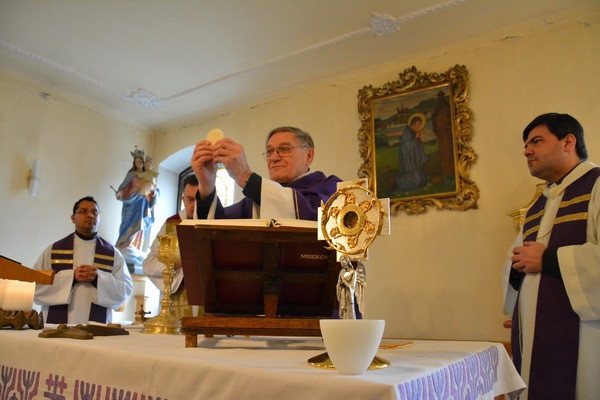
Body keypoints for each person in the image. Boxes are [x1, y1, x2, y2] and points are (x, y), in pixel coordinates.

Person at [502, 113, 600, 399]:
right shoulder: (537, 206)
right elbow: (519, 261)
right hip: (537, 336)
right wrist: (522, 310)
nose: (526, 151)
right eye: (525, 145)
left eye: (536, 141)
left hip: (585, 337)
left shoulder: (596, 185)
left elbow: (540, 260)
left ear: (568, 142)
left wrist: (548, 260)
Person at [191, 126, 342, 221]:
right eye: (269, 151)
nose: (274, 158)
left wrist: (244, 175)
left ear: (309, 156)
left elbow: (317, 216)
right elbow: (217, 228)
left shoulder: (333, 188)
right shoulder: (253, 202)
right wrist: (206, 185)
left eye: (284, 149)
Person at [33, 196, 133, 324]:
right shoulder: (53, 251)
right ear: (73, 218)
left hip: (97, 326)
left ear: (99, 218)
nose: (90, 215)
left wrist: (98, 279)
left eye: (94, 212)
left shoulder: (113, 254)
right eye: (83, 211)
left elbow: (125, 290)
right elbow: (35, 286)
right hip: (57, 324)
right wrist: (72, 277)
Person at [142, 174, 198, 318]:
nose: (195, 205)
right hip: (178, 298)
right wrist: (174, 263)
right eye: (190, 199)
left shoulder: (218, 221)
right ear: (183, 200)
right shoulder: (171, 224)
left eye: (199, 199)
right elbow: (148, 264)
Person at [115, 148, 158, 266]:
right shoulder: (132, 174)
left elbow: (154, 190)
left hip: (142, 203)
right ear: (134, 163)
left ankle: (134, 246)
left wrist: (153, 193)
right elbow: (123, 187)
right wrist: (120, 192)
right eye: (137, 162)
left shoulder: (147, 175)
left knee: (141, 224)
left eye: (140, 161)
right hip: (130, 202)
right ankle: (123, 245)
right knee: (127, 223)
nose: (139, 163)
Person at [387, 113, 429, 191]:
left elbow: (417, 144)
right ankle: (396, 182)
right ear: (413, 123)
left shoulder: (412, 132)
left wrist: (417, 138)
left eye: (419, 124)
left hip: (415, 159)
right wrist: (416, 138)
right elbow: (407, 146)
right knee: (417, 181)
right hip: (410, 160)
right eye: (418, 124)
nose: (418, 126)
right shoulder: (407, 133)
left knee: (422, 180)